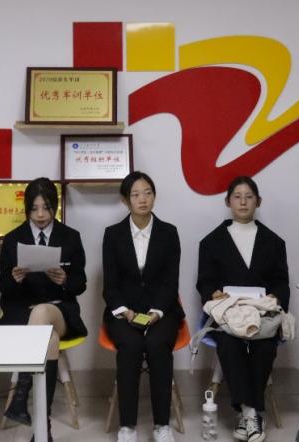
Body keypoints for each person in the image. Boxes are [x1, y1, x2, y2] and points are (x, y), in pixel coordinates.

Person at [196, 175, 289, 442]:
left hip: (262, 315)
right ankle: (251, 413)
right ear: (228, 202)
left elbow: (281, 281)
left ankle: (246, 416)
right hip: (228, 315)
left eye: (249, 196)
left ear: (258, 202)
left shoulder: (274, 242)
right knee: (229, 344)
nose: (243, 202)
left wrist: (275, 297)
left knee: (264, 345)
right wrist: (212, 293)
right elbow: (204, 281)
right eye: (237, 196)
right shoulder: (211, 242)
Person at [0, 177, 87, 441]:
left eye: (46, 208)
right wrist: (14, 279)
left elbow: (80, 284)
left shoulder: (70, 237)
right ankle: (42, 426)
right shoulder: (13, 239)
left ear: (55, 207)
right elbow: (2, 287)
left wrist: (64, 281)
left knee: (42, 313)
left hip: (59, 311)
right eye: (34, 208)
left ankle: (21, 398)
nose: (40, 215)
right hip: (22, 311)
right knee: (48, 338)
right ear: (27, 208)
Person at [102, 172, 183, 442]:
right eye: (135, 194)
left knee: (158, 345)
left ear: (154, 196)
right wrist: (125, 312)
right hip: (123, 313)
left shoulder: (169, 233)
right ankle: (127, 427)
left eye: (148, 192)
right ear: (125, 200)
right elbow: (110, 285)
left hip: (162, 311)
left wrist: (156, 312)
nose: (143, 199)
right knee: (131, 346)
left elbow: (171, 282)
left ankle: (162, 425)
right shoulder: (113, 235)